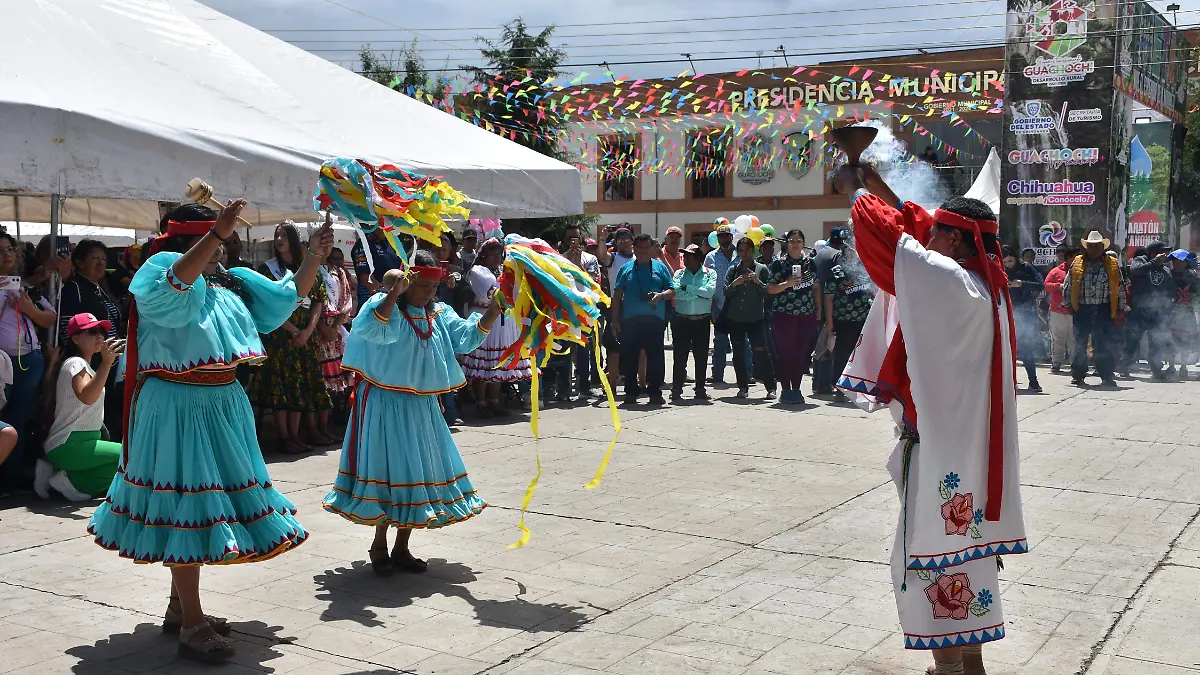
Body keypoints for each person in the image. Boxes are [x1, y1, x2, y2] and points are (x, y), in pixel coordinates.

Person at [88, 201, 331, 663]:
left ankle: (181, 608)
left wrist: (313, 258)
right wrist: (214, 237)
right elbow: (175, 287)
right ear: (192, 238)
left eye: (226, 237)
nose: (225, 245)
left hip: (222, 400)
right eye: (218, 236)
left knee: (200, 502)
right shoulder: (161, 270)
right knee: (189, 502)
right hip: (178, 403)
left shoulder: (230, 280)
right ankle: (193, 624)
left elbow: (281, 302)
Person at [835, 167, 1026, 675]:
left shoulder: (950, 283)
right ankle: (971, 664)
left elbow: (882, 233)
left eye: (938, 232)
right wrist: (878, 181)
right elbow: (918, 234)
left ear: (958, 242)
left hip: (940, 452)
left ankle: (948, 670)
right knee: (969, 555)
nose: (928, 237)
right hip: (971, 455)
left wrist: (853, 186)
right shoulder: (988, 291)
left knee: (928, 558)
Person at [324, 252, 501, 574]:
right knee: (388, 471)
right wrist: (393, 293)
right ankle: (379, 544)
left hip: (420, 404)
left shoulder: (439, 312)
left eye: (434, 287)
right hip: (384, 402)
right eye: (421, 286)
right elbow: (375, 331)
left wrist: (494, 311)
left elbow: (465, 339)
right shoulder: (384, 306)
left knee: (415, 472)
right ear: (406, 282)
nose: (428, 293)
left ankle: (402, 547)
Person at [248, 223, 335, 451]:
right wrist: (294, 330)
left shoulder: (306, 267)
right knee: (282, 385)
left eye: (285, 235)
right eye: (277, 234)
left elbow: (318, 301)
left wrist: (307, 331)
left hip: (306, 333)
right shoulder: (268, 270)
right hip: (280, 333)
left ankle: (297, 435)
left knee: (302, 385)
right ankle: (284, 436)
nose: (279, 238)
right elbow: (265, 303)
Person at [35, 313, 125, 500]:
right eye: (92, 332)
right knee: (129, 457)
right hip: (70, 444)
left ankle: (61, 476)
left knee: (122, 468)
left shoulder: (81, 365)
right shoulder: (76, 363)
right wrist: (107, 363)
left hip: (78, 443)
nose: (99, 336)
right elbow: (87, 397)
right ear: (75, 338)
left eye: (101, 331)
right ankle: (67, 482)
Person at [0, 232, 57, 494]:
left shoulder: (25, 287)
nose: (7, 255)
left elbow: (49, 318)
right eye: (1, 251)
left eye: (10, 249)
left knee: (18, 420)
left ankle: (10, 480)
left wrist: (28, 309)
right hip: (2, 363)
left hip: (29, 361)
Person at [57, 239, 126, 439]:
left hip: (110, 361)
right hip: (90, 361)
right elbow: (66, 328)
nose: (101, 263)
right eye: (94, 258)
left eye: (104, 259)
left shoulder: (99, 288)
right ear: (79, 262)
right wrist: (83, 355)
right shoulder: (73, 288)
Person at [459, 238, 533, 416]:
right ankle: (481, 403)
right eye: (491, 254)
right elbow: (494, 292)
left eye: (499, 254)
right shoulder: (478, 271)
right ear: (483, 255)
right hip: (485, 317)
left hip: (503, 321)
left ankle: (494, 402)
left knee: (498, 361)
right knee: (484, 362)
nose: (496, 257)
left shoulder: (502, 271)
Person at [611, 233, 674, 405]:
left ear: (652, 248)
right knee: (630, 357)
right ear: (635, 249)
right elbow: (617, 296)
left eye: (648, 247)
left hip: (654, 320)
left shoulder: (660, 268)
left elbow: (672, 290)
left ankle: (655, 392)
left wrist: (660, 295)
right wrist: (614, 319)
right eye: (641, 248)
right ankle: (631, 392)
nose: (645, 251)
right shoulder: (626, 269)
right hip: (630, 320)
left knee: (656, 358)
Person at [1062, 231, 1125, 387]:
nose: (1093, 249)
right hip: (1082, 309)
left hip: (1104, 309)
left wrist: (1121, 306)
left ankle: (1106, 376)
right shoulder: (1077, 262)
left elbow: (1119, 285)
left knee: (1104, 345)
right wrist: (1068, 304)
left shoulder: (1112, 263)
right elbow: (1068, 284)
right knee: (1080, 345)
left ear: (1102, 247)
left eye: (1096, 246)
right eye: (1090, 246)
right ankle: (1078, 375)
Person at [768, 229, 822, 404]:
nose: (796, 244)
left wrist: (819, 310)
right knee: (786, 352)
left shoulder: (810, 263)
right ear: (786, 243)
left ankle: (797, 389)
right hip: (784, 314)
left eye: (799, 241)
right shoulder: (779, 263)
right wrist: (787, 283)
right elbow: (770, 288)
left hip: (806, 314)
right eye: (792, 241)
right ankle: (785, 389)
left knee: (801, 352)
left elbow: (816, 287)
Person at [822, 232, 875, 402]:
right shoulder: (836, 271)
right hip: (844, 320)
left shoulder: (866, 269)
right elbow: (829, 298)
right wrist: (829, 322)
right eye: (850, 249)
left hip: (864, 320)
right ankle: (839, 388)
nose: (853, 252)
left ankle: (859, 388)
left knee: (861, 355)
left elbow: (874, 293)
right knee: (842, 355)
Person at [723, 237, 776, 399]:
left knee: (761, 351)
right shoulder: (733, 270)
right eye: (740, 250)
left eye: (747, 250)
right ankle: (743, 387)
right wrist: (735, 283)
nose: (744, 253)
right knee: (738, 353)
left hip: (756, 318)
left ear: (753, 251)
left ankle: (770, 386)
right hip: (736, 319)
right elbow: (725, 291)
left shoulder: (762, 269)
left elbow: (768, 292)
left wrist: (756, 281)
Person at [670, 244, 716, 401]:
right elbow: (675, 293)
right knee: (679, 357)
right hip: (681, 319)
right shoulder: (679, 273)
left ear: (698, 258)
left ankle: (700, 389)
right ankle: (676, 390)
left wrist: (688, 287)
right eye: (684, 256)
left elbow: (710, 292)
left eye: (688, 256)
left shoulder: (710, 273)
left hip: (702, 320)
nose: (685, 259)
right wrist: (698, 293)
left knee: (701, 357)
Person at [560, 224, 601, 400]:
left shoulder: (590, 259)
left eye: (575, 237)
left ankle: (584, 386)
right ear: (564, 240)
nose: (573, 241)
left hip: (584, 310)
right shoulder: (558, 259)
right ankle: (563, 389)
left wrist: (577, 265)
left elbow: (593, 282)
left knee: (585, 349)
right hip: (565, 310)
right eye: (569, 238)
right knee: (564, 350)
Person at [705, 224, 749, 385]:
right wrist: (711, 303)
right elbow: (706, 279)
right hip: (719, 305)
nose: (724, 239)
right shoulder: (710, 257)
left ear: (731, 237)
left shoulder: (741, 255)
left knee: (743, 342)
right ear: (717, 239)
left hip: (740, 305)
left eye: (726, 236)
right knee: (720, 341)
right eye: (720, 237)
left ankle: (747, 374)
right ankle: (717, 375)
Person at [1123, 242, 1174, 378]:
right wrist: (1156, 261)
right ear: (1153, 253)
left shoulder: (1165, 269)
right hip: (1139, 311)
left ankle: (1156, 369)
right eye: (1162, 252)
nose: (1165, 255)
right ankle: (1123, 366)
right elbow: (1135, 271)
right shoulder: (1140, 261)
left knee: (1157, 342)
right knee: (1132, 341)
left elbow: (1170, 290)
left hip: (1157, 313)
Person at [317, 247, 356, 424]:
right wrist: (322, 327)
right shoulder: (310, 269)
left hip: (336, 328)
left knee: (338, 379)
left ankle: (335, 421)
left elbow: (346, 301)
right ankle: (319, 425)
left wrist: (336, 325)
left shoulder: (338, 272)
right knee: (321, 380)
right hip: (317, 329)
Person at [597, 227, 635, 388]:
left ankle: (635, 382)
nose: (623, 241)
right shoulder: (613, 258)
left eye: (626, 238)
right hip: (617, 306)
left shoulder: (638, 258)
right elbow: (601, 256)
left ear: (632, 241)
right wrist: (602, 239)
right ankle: (612, 384)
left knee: (635, 346)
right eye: (620, 238)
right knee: (613, 347)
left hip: (635, 306)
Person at [1003, 246, 1045, 392]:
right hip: (1007, 312)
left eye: (1010, 260)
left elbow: (1040, 285)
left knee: (1026, 348)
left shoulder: (1026, 267)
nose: (1008, 264)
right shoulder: (1002, 270)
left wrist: (1022, 284)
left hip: (1025, 313)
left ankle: (1033, 382)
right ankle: (1009, 382)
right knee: (1006, 350)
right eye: (1005, 262)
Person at [1042, 245, 1077, 373]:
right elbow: (1046, 286)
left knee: (1074, 339)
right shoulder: (1056, 271)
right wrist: (1058, 286)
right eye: (1072, 258)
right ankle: (1056, 363)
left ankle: (1075, 364)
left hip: (1074, 310)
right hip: (1057, 310)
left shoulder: (1080, 270)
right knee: (1057, 338)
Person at [1167, 250, 1200, 379]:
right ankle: (1171, 365)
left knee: (1186, 340)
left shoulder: (1192, 277)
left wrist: (1191, 295)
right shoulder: (1168, 275)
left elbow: (1197, 293)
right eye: (1175, 261)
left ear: (1186, 263)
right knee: (1170, 339)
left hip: (1187, 312)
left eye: (1181, 262)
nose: (1178, 264)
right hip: (1172, 312)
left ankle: (1184, 366)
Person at [351, 228, 405, 307]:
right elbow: (366, 279)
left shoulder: (395, 243)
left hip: (396, 300)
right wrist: (385, 297)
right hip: (374, 302)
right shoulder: (364, 244)